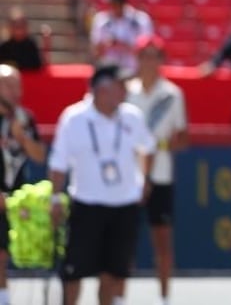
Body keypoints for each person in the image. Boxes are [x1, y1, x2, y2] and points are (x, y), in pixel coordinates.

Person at [48, 64, 156, 305]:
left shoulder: (132, 116)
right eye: (120, 86)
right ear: (102, 90)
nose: (125, 91)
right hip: (86, 204)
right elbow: (58, 162)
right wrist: (55, 198)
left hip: (123, 205)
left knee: (113, 273)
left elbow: (148, 147)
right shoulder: (74, 118)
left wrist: (144, 179)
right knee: (73, 272)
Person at [123, 35, 189, 305]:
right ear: (137, 59)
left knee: (162, 240)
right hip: (127, 176)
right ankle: (119, 297)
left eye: (155, 56)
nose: (149, 62)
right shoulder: (125, 91)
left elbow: (183, 137)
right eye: (144, 56)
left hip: (161, 174)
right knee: (123, 241)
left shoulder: (172, 94)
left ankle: (164, 297)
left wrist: (163, 144)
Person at [0, 65, 47, 305]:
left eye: (16, 84)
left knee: (7, 252)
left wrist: (22, 137)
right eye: (7, 84)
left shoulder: (25, 118)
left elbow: (39, 156)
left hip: (16, 199)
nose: (14, 90)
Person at [89, 0, 155, 74]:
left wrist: (123, 45)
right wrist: (107, 44)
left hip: (134, 69)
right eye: (114, 5)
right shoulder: (101, 20)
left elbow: (147, 50)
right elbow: (95, 50)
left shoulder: (140, 20)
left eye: (119, 5)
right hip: (109, 70)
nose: (116, 9)